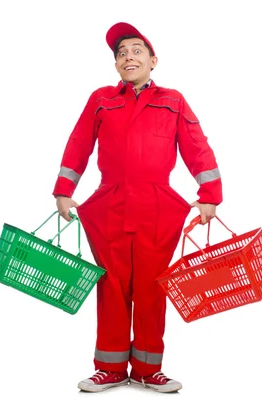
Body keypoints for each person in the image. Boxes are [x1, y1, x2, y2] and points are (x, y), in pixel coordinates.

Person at [52, 22, 222, 393]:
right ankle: (110, 369)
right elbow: (79, 141)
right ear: (116, 66)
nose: (128, 56)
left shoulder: (173, 100)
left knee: (151, 288)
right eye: (121, 53)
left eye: (136, 50)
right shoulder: (101, 99)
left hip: (157, 207)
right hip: (109, 205)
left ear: (153, 60)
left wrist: (210, 193)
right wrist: (64, 190)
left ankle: (147, 370)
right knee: (111, 287)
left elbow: (196, 145)